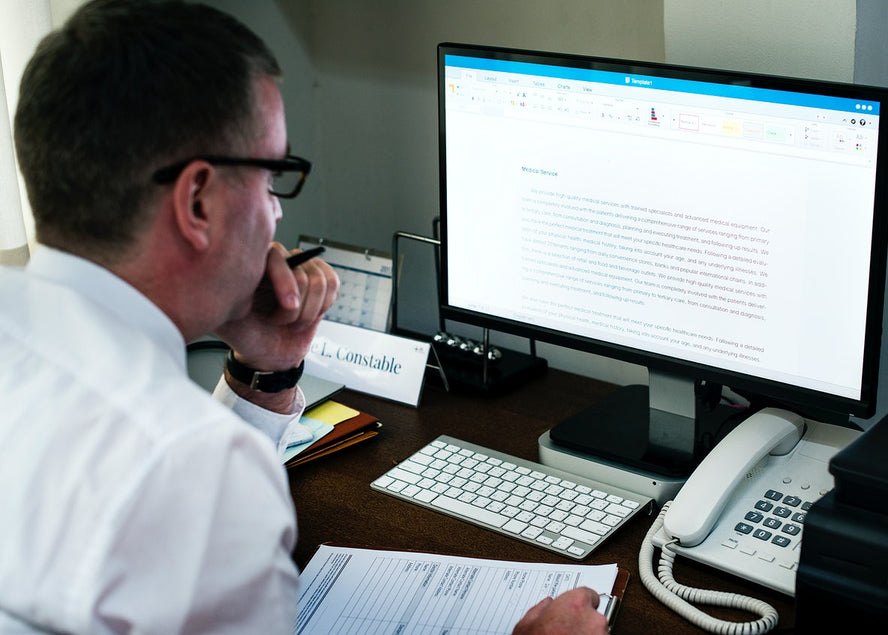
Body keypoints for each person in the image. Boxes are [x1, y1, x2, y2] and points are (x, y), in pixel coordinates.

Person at [0, 1, 608, 633]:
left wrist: (267, 369)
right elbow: (182, 481)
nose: (277, 217)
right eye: (272, 178)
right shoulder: (196, 472)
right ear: (198, 202)